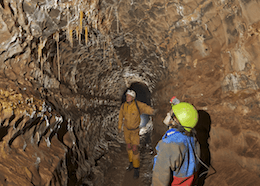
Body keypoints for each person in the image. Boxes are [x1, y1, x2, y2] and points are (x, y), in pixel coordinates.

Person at [152, 101, 200, 186]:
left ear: (177, 120)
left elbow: (160, 179)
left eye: (171, 114)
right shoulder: (192, 139)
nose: (168, 113)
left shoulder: (169, 144)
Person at [118, 89, 155, 179]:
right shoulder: (123, 106)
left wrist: (155, 112)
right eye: (127, 96)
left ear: (133, 98)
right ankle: (131, 163)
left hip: (135, 131)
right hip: (127, 130)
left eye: (130, 96)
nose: (128, 98)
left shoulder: (138, 105)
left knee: (135, 149)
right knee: (129, 147)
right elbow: (120, 117)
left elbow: (147, 109)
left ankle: (136, 168)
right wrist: (119, 127)